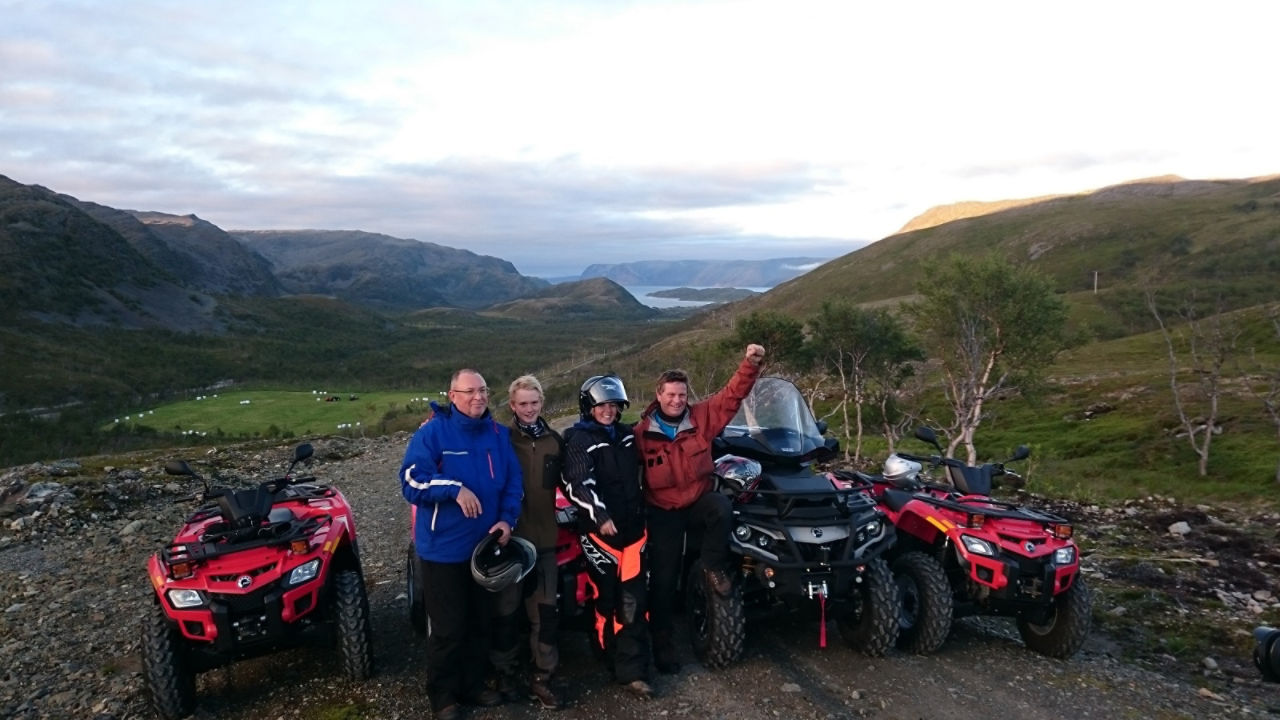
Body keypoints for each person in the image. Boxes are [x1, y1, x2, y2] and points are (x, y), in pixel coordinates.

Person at [400, 369, 525, 720]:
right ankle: (443, 695)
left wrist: (507, 519)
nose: (478, 398)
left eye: (483, 390)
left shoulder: (498, 435)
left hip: (485, 548)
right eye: (470, 392)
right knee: (448, 627)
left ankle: (472, 684)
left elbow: (513, 483)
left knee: (479, 622)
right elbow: (411, 481)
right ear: (452, 395)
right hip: (443, 550)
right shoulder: (433, 433)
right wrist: (453, 489)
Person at [634, 344, 766, 674]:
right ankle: (662, 642)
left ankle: (712, 567)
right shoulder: (640, 435)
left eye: (682, 395)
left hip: (696, 501)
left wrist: (750, 363)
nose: (677, 400)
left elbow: (732, 395)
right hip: (662, 511)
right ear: (658, 395)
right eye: (671, 395)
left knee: (721, 506)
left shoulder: (703, 417)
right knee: (663, 580)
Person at [561, 373, 655, 700]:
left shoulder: (627, 435)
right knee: (606, 600)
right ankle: (608, 655)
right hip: (602, 533)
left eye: (613, 405)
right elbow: (576, 482)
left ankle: (633, 670)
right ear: (589, 406)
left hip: (633, 531)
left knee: (635, 601)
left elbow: (651, 465)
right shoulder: (578, 439)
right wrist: (600, 516)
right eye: (602, 405)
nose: (609, 411)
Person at [505, 375, 568, 709]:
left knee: (544, 614)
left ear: (541, 403)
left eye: (534, 403)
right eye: (522, 403)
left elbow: (574, 482)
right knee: (505, 613)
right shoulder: (500, 440)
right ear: (512, 406)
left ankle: (543, 679)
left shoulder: (555, 442)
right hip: (509, 543)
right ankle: (503, 675)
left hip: (544, 542)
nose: (529, 409)